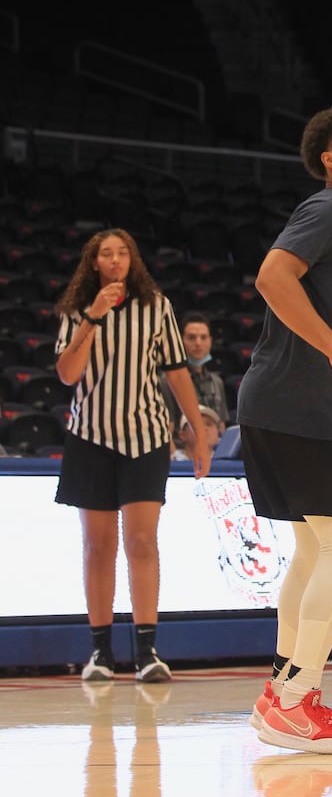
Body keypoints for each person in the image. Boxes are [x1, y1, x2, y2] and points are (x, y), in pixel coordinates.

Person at [237, 102, 332, 755]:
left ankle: (281, 692)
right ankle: (297, 699)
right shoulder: (328, 209)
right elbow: (272, 276)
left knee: (314, 548)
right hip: (292, 404)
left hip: (288, 406)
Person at [53, 228, 213, 684]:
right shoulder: (75, 311)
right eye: (107, 253)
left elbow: (178, 373)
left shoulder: (157, 307)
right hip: (89, 436)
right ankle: (100, 652)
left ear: (132, 261)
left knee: (142, 543)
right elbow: (67, 374)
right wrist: (93, 318)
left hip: (145, 437)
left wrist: (197, 434)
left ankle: (147, 652)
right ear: (95, 263)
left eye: (123, 252)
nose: (116, 260)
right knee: (97, 546)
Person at [159, 312, 230, 425]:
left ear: (210, 341)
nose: (198, 343)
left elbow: (221, 425)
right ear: (180, 340)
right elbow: (168, 427)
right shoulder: (167, 381)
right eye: (192, 337)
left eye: (203, 337)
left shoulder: (217, 382)